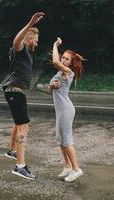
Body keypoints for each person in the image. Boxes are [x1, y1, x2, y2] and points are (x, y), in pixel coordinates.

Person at [0, 12, 45, 180]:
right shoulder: (21, 47)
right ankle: (20, 166)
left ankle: (12, 150)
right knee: (24, 127)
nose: (37, 42)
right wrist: (30, 23)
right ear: (28, 37)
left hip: (15, 92)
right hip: (15, 92)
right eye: (36, 39)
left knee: (20, 125)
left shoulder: (22, 52)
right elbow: (16, 41)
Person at [48, 37, 85, 182]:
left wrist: (55, 45)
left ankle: (76, 169)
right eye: (63, 58)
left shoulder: (69, 72)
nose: (63, 60)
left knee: (67, 140)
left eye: (67, 59)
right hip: (60, 110)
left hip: (66, 109)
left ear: (71, 63)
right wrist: (51, 86)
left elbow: (55, 62)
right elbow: (49, 89)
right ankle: (68, 166)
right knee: (60, 139)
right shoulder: (59, 74)